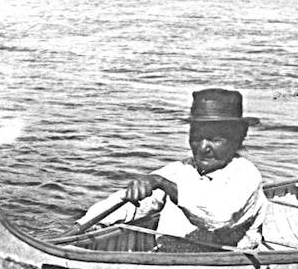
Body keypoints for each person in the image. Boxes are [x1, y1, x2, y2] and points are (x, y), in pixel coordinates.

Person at [67, 88, 267, 251]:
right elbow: (130, 205)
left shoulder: (246, 175)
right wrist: (82, 226)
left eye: (215, 139)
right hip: (166, 261)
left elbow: (216, 216)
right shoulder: (180, 170)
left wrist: (161, 183)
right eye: (197, 137)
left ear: (239, 137)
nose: (202, 147)